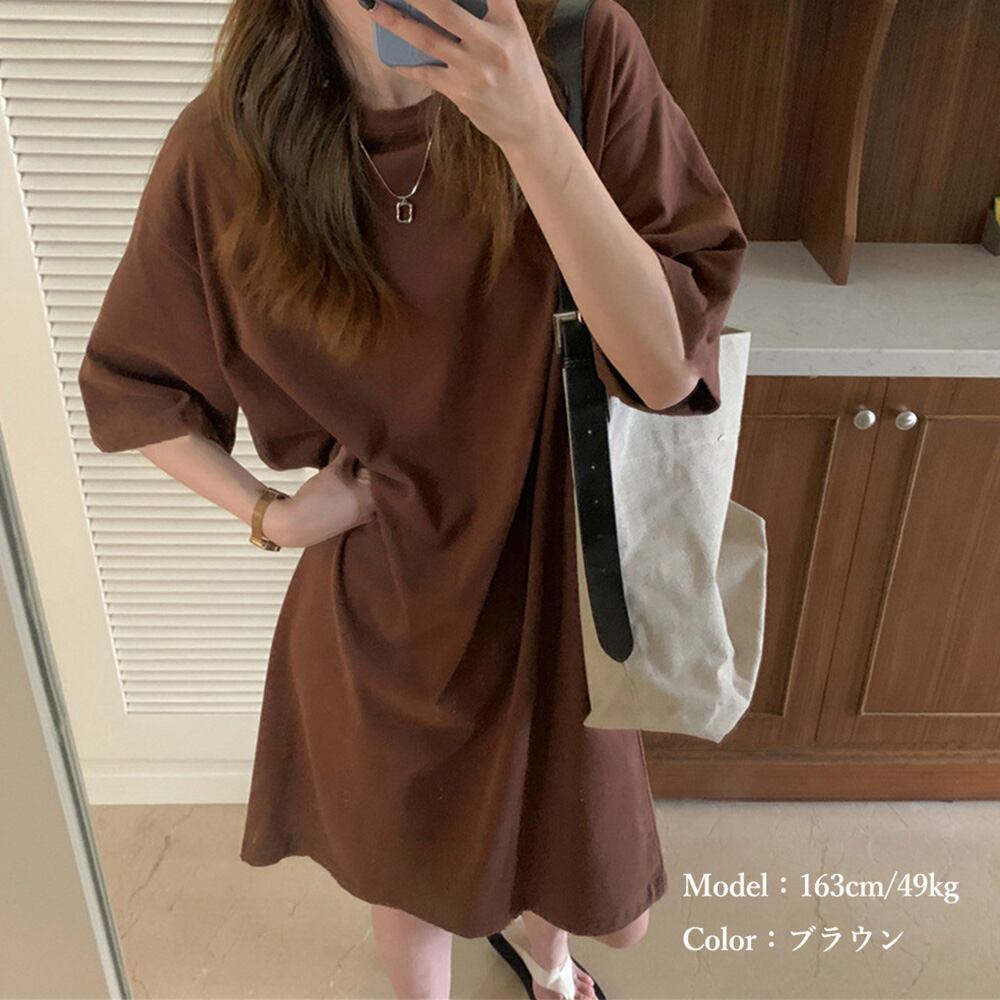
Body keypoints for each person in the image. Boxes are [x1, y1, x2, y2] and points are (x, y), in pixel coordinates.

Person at [77, 0, 748, 995]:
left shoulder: (579, 52)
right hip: (385, 600)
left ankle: (550, 964)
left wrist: (531, 129)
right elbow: (131, 385)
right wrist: (275, 516)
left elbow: (664, 370)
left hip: (557, 579)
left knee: (601, 893)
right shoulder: (231, 142)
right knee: (410, 870)